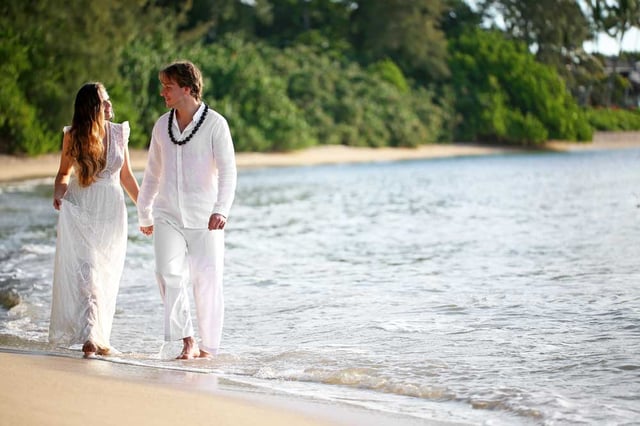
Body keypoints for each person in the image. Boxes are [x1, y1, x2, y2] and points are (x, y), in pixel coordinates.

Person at [137, 61, 237, 359]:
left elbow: (229, 172)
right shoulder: (160, 126)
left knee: (207, 282)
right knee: (166, 272)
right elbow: (152, 174)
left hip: (206, 219)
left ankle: (208, 349)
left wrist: (221, 209)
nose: (162, 92)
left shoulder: (215, 124)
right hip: (167, 215)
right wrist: (145, 213)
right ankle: (187, 340)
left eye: (167, 86)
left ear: (187, 88)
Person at [49, 82, 140, 358]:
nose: (110, 105)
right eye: (104, 102)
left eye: (109, 100)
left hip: (111, 212)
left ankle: (98, 334)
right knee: (88, 274)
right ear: (92, 109)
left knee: (105, 273)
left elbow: (126, 177)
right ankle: (90, 337)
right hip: (81, 209)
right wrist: (59, 194)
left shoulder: (118, 133)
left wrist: (147, 210)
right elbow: (64, 174)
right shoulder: (72, 136)